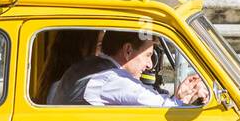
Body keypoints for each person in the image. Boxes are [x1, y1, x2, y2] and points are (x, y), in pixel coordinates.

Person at [47, 30, 209, 107]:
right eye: (147, 55)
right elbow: (161, 108)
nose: (150, 65)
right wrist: (183, 99)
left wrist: (180, 97)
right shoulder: (111, 79)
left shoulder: (89, 67)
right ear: (128, 50)